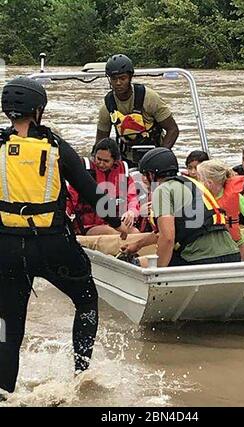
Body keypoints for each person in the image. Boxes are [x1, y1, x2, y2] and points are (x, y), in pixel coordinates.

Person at [0, 77, 128, 399]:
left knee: (9, 325)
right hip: (55, 245)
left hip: (8, 247)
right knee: (86, 299)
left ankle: (5, 392)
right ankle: (80, 375)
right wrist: (119, 218)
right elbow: (91, 192)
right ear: (38, 110)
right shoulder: (56, 147)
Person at [122, 147, 241, 267]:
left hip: (200, 259)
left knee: (136, 263)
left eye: (145, 175)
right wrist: (137, 245)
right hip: (232, 255)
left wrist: (158, 273)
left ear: (152, 175)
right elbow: (169, 232)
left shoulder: (162, 190)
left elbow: (168, 238)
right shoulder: (194, 183)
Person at [96, 54, 179, 167]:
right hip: (126, 159)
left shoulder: (149, 98)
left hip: (155, 153)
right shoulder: (107, 106)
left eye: (123, 78)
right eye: (114, 79)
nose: (118, 83)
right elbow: (100, 142)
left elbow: (173, 130)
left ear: (130, 77)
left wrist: (159, 156)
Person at [67, 137, 140, 235]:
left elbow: (132, 198)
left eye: (106, 161)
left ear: (115, 161)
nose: (101, 164)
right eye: (98, 159)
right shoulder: (85, 172)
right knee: (112, 232)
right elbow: (70, 199)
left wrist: (131, 211)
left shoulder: (123, 174)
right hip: (88, 226)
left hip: (116, 223)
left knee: (136, 233)